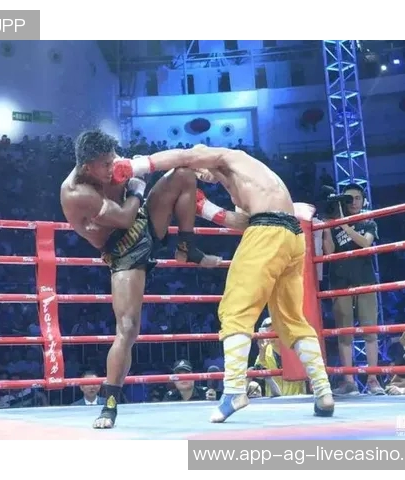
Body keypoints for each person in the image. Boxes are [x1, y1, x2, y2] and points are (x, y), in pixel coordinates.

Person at [111, 144, 335, 422]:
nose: (199, 175)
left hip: (268, 232)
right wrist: (205, 208)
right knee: (291, 319)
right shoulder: (249, 178)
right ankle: (324, 392)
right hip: (292, 237)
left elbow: (184, 155)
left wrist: (135, 166)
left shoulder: (229, 156)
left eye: (199, 169)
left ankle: (234, 391)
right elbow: (243, 221)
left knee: (235, 311)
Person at [60, 130, 247, 429]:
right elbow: (123, 218)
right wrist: (137, 187)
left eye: (113, 159)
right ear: (87, 167)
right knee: (127, 328)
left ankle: (186, 247)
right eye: (105, 164)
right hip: (122, 249)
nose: (112, 167)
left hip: (144, 220)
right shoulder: (76, 192)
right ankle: (109, 405)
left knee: (184, 175)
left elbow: (155, 169)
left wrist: (152, 167)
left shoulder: (113, 164)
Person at [322, 183, 385, 395]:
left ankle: (373, 380)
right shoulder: (333, 223)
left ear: (363, 200)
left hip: (365, 280)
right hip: (339, 281)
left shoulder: (367, 220)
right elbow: (329, 252)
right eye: (349, 198)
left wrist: (345, 225)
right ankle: (349, 382)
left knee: (370, 332)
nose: (354, 202)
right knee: (344, 334)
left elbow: (366, 244)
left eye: (357, 198)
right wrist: (328, 228)